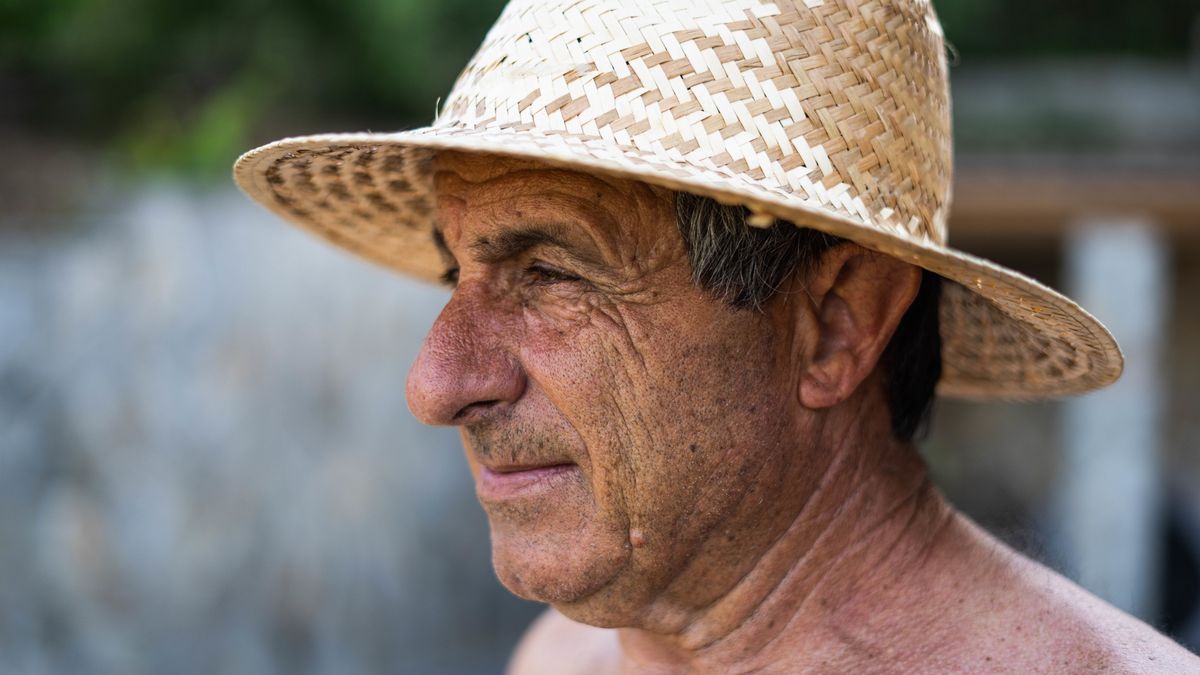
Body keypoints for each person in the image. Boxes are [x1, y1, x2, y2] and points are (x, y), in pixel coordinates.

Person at [234, 0, 1198, 671]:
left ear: (837, 323)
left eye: (552, 273)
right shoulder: (561, 659)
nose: (436, 384)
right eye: (460, 274)